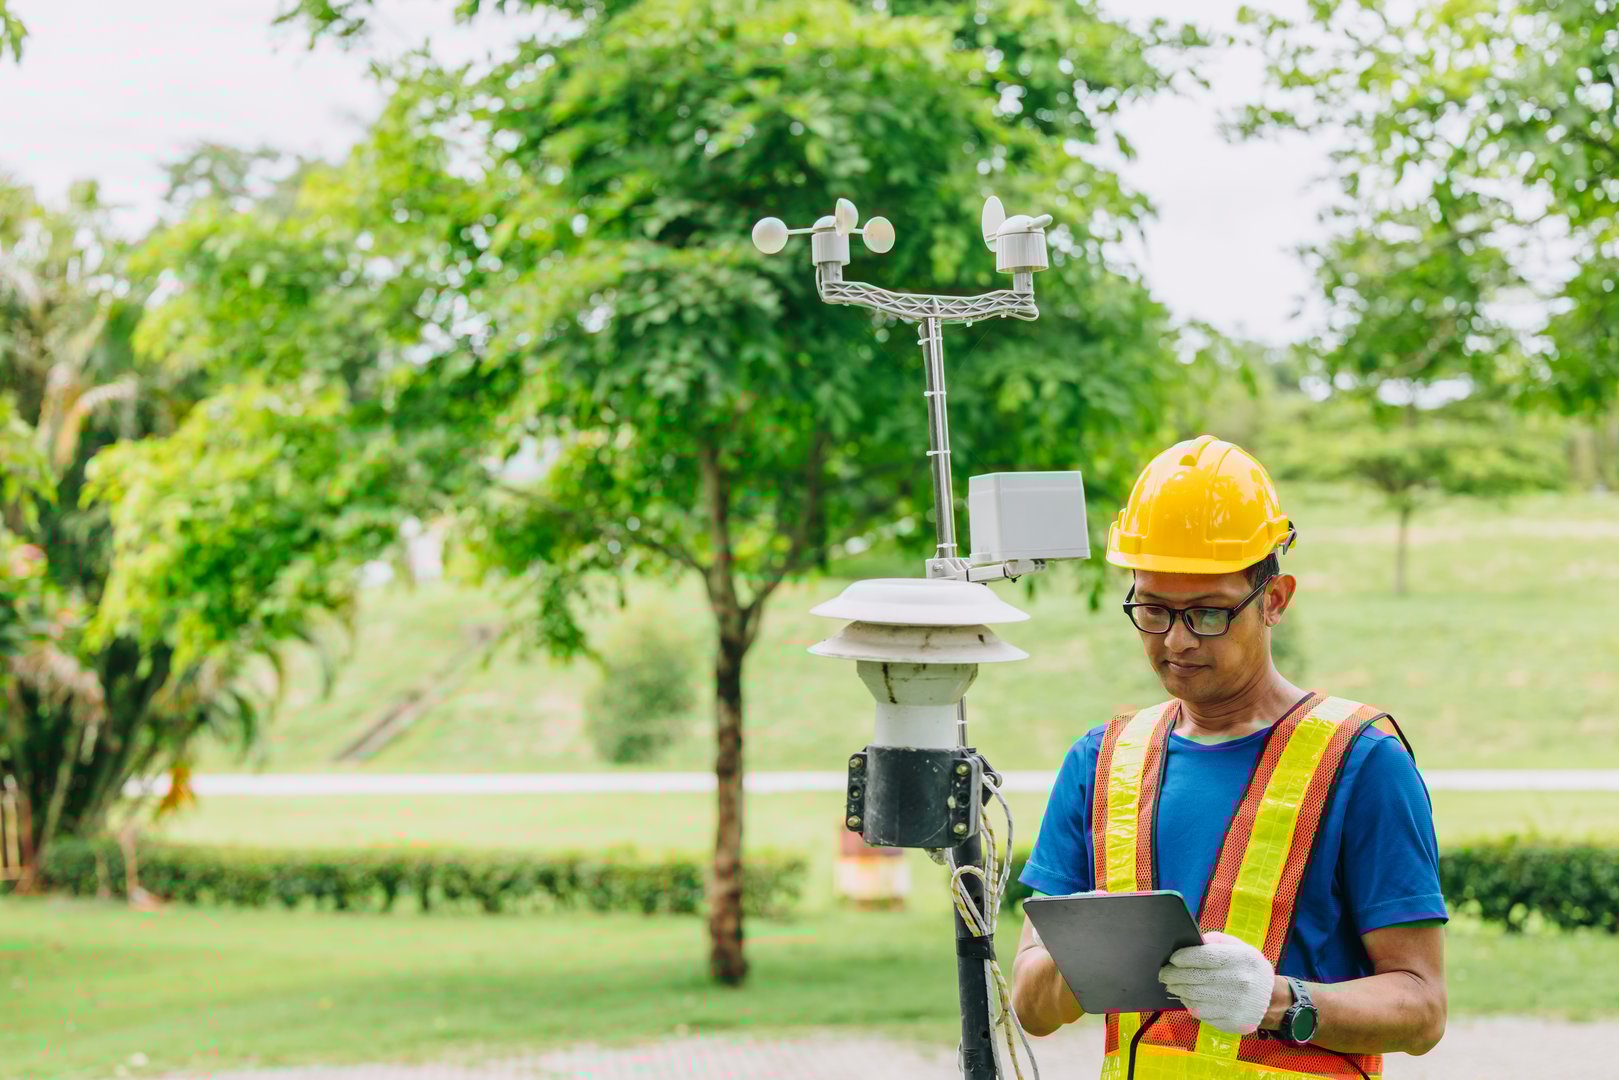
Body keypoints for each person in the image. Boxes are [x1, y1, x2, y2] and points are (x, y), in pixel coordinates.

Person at [1010, 435, 1448, 1080]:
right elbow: (1033, 1007)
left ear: (1275, 600)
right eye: (1153, 610)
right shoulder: (1101, 762)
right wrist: (1090, 957)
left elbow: (1422, 1007)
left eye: (1208, 614)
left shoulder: (1360, 760)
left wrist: (1281, 1001)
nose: (1176, 640)